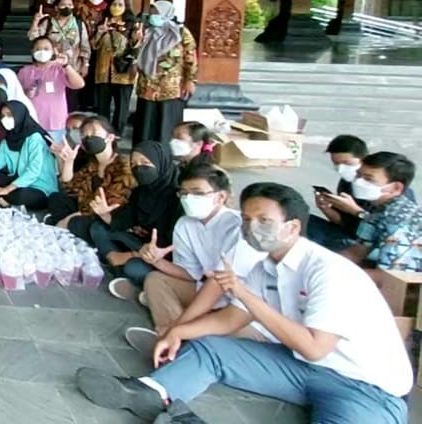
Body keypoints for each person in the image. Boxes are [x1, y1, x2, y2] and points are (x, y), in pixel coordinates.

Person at [76, 182, 413, 424]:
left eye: (264, 221)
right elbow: (232, 318)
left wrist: (243, 293)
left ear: (293, 226)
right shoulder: (266, 263)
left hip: (366, 390)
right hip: (300, 369)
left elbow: (315, 347)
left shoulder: (329, 272)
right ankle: (150, 393)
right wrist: (179, 333)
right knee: (209, 347)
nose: (252, 228)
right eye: (248, 219)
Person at [121, 165, 266, 358]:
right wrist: (157, 261)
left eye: (197, 193)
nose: (189, 199)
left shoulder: (239, 228)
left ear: (220, 197)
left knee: (234, 335)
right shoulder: (185, 224)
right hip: (205, 294)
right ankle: (173, 339)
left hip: (238, 307)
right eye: (184, 193)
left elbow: (217, 285)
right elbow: (190, 273)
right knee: (155, 279)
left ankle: (173, 338)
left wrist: (180, 328)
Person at [88, 141, 184, 299]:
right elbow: (124, 221)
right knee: (97, 228)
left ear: (161, 163)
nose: (139, 168)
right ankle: (118, 266)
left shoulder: (178, 198)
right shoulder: (141, 191)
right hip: (139, 242)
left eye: (145, 163)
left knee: (134, 268)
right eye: (134, 164)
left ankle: (118, 265)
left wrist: (131, 255)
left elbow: (171, 245)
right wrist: (105, 214)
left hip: (161, 255)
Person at [338, 152, 422, 278]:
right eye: (358, 175)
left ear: (395, 188)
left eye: (369, 179)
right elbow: (357, 251)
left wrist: (339, 275)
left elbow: (391, 277)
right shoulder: (376, 209)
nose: (358, 182)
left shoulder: (397, 222)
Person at [0, 100, 58, 207]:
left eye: (9, 115)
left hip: (39, 186)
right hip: (15, 181)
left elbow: (33, 171)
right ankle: (2, 201)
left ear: (20, 116)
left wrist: (7, 189)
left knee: (21, 196)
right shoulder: (8, 139)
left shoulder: (34, 138)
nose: (5, 119)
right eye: (3, 115)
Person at [132, 1, 198, 147]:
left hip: (171, 88)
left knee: (166, 125)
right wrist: (136, 40)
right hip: (147, 86)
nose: (153, 16)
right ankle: (143, 153)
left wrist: (190, 80)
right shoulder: (147, 32)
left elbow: (190, 57)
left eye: (156, 13)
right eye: (151, 13)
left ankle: (164, 154)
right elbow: (136, 54)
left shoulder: (180, 32)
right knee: (145, 125)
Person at [49, 116, 135, 228]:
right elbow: (70, 188)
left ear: (110, 137)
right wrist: (68, 162)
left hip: (106, 216)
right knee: (56, 198)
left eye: (94, 132)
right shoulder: (92, 163)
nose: (89, 137)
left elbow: (111, 204)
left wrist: (71, 218)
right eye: (84, 135)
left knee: (81, 224)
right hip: (85, 208)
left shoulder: (123, 166)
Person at [307, 134, 371, 250]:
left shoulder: (381, 188)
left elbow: (381, 231)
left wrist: (356, 211)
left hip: (366, 244)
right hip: (348, 234)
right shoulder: (346, 183)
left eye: (347, 163)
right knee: (300, 219)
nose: (341, 168)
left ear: (363, 159)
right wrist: (326, 208)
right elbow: (343, 223)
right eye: (337, 164)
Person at [18, 37, 86, 143]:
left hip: (55, 123)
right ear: (32, 52)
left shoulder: (59, 69)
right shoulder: (24, 72)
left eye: (46, 49)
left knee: (54, 154)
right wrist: (26, 93)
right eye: (38, 49)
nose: (42, 52)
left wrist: (66, 65)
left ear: (53, 51)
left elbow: (79, 84)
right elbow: (17, 95)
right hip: (32, 122)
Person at [92, 0, 139, 134]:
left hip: (124, 71)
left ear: (126, 7)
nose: (116, 7)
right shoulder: (102, 22)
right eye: (114, 4)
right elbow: (94, 46)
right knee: (102, 105)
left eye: (120, 5)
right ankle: (102, 132)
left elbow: (136, 48)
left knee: (122, 106)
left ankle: (117, 133)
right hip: (103, 71)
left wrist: (137, 39)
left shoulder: (132, 25)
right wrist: (99, 33)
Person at [29, 0, 91, 76]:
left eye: (70, 5)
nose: (67, 7)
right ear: (56, 7)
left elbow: (85, 47)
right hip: (50, 66)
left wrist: (85, 65)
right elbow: (34, 39)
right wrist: (35, 22)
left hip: (74, 67)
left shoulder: (79, 24)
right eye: (63, 4)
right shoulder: (48, 23)